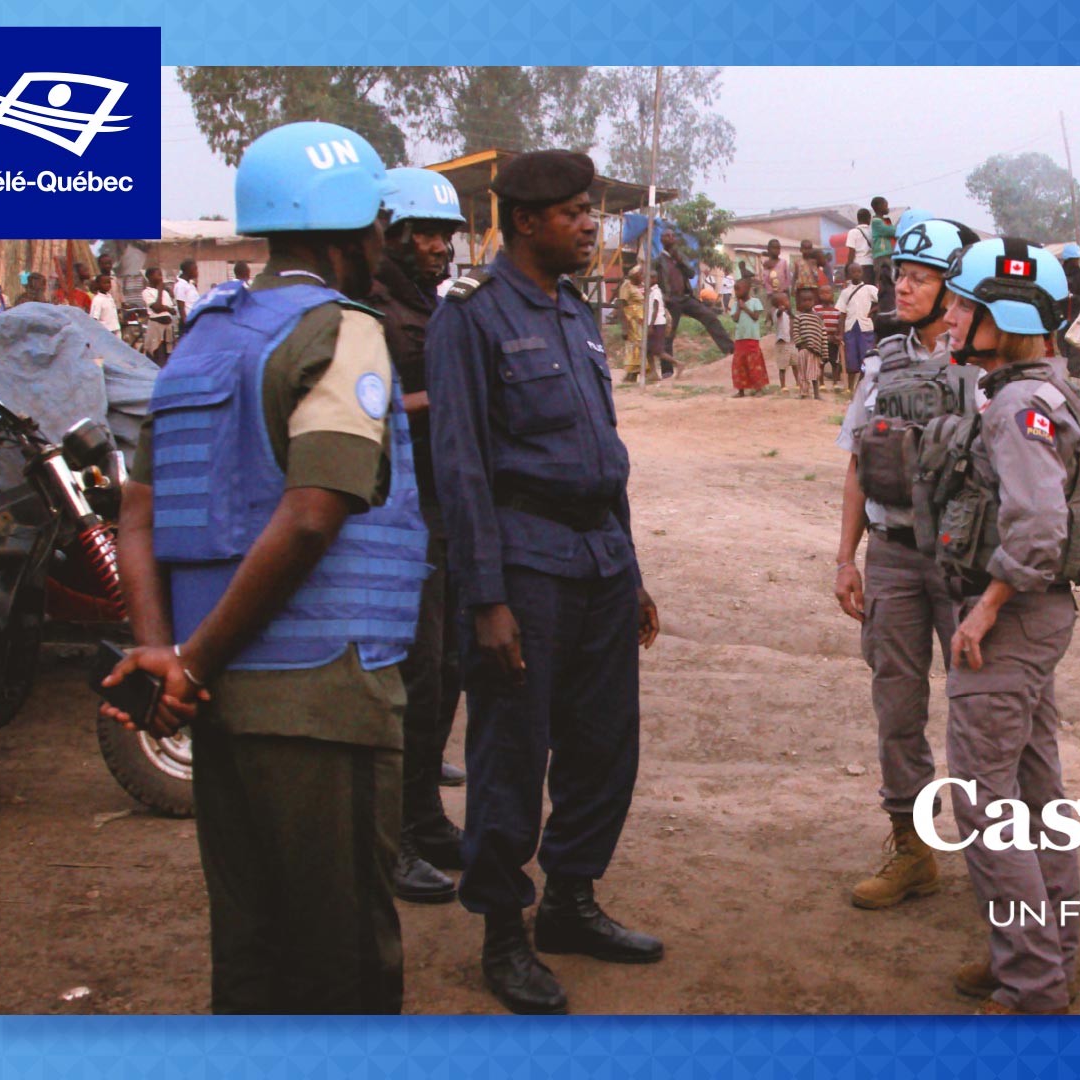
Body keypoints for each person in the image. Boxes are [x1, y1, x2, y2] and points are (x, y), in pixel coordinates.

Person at [99, 120, 421, 1013]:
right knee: (342, 961)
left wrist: (171, 660)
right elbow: (315, 515)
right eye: (378, 226)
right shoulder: (341, 331)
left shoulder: (205, 336)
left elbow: (140, 510)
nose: (382, 245)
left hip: (220, 704)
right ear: (349, 228)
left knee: (249, 954)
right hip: (321, 695)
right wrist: (189, 663)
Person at [427, 149, 664, 1016]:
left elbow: (606, 454)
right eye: (572, 213)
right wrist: (485, 599)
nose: (589, 226)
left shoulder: (573, 310)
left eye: (589, 211)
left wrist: (631, 570)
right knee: (511, 754)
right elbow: (461, 466)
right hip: (523, 565)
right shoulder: (473, 317)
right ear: (525, 222)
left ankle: (570, 901)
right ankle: (502, 933)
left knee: (605, 744)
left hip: (598, 558)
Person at [925, 238, 1080, 1014]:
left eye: (965, 305)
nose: (953, 317)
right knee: (1035, 791)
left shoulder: (1014, 406)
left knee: (983, 799)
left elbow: (1034, 525)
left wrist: (987, 609)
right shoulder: (1048, 395)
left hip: (1014, 615)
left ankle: (1031, 982)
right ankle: (1047, 955)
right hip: (1040, 614)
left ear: (1004, 314)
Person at [831, 217, 977, 911]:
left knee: (980, 710)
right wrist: (845, 559)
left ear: (955, 288)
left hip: (961, 558)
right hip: (891, 555)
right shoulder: (880, 362)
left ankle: (997, 861)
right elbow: (860, 462)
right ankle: (913, 848)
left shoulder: (983, 364)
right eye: (901, 274)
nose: (905, 286)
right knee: (897, 706)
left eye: (921, 276)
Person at [365, 166, 471, 906]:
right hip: (396, 516)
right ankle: (391, 839)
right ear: (391, 235)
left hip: (446, 509)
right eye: (424, 234)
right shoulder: (368, 314)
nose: (437, 247)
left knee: (452, 668)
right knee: (415, 677)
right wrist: (450, 398)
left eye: (444, 235)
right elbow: (361, 410)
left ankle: (427, 817)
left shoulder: (432, 310)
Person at [656, 230, 734, 355]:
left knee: (710, 316)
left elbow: (692, 274)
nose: (671, 237)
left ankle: (730, 350)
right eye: (667, 235)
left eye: (673, 235)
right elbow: (654, 281)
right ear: (661, 240)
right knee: (669, 333)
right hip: (671, 301)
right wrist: (664, 298)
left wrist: (680, 261)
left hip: (686, 298)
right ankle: (667, 371)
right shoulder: (658, 260)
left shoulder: (679, 257)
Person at [837, 264, 879, 393]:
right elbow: (842, 314)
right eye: (853, 272)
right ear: (848, 275)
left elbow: (882, 300)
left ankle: (862, 386)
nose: (856, 274)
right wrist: (840, 333)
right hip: (850, 328)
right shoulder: (845, 292)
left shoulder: (869, 289)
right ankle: (849, 387)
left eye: (858, 271)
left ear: (862, 273)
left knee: (866, 357)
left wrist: (872, 311)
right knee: (851, 358)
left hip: (865, 327)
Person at [726, 278, 769, 396]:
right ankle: (741, 390)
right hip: (740, 338)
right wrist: (739, 308)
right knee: (739, 364)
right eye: (735, 290)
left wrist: (745, 308)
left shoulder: (755, 302)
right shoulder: (735, 304)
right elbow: (735, 319)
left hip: (752, 338)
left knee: (754, 363)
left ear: (747, 289)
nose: (736, 292)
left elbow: (755, 317)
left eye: (738, 289)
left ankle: (758, 388)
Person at [1057, 243, 1080, 378]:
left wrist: (1074, 297)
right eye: (1073, 260)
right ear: (1067, 260)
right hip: (1061, 314)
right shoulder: (1058, 275)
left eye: (1077, 260)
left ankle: (1075, 370)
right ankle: (1068, 366)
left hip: (1076, 315)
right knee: (1061, 341)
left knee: (1075, 343)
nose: (1076, 262)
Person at [792, 285, 828, 400]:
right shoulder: (799, 318)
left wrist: (825, 353)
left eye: (810, 300)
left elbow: (823, 335)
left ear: (814, 301)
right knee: (802, 373)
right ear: (800, 302)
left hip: (815, 351)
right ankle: (804, 393)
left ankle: (816, 394)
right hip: (803, 350)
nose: (807, 303)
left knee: (814, 373)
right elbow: (795, 333)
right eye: (804, 300)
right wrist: (800, 343)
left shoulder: (818, 318)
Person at [616, 265, 648, 382]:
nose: (643, 277)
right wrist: (624, 326)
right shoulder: (626, 285)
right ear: (635, 276)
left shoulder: (641, 286)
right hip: (632, 321)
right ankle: (631, 373)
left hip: (641, 322)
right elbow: (621, 305)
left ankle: (634, 373)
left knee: (640, 346)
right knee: (634, 347)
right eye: (641, 275)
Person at [141, 266, 177, 362]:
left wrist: (165, 307)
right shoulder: (147, 292)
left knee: (168, 355)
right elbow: (156, 308)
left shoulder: (165, 293)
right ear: (150, 277)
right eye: (158, 275)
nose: (161, 277)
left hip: (168, 329)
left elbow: (173, 311)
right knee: (157, 353)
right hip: (156, 328)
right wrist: (160, 290)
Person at [765, 289, 797, 394]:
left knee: (795, 364)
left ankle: (798, 382)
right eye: (786, 300)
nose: (788, 302)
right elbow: (778, 314)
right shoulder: (777, 313)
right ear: (780, 304)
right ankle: (783, 385)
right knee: (782, 366)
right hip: (782, 343)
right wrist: (780, 309)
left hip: (791, 343)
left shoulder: (788, 315)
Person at [814, 280, 845, 386]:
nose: (824, 295)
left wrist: (837, 336)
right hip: (821, 340)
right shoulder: (816, 309)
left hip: (833, 341)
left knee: (834, 362)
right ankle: (821, 383)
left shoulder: (837, 310)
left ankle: (835, 382)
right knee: (821, 362)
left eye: (827, 293)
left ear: (832, 295)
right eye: (822, 293)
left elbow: (840, 325)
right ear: (819, 295)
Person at [848, 208, 874, 276]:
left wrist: (848, 266)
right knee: (870, 286)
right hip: (870, 265)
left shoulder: (852, 232)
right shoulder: (872, 232)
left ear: (858, 218)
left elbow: (851, 251)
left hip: (858, 266)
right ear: (869, 218)